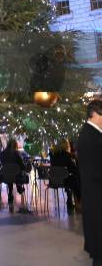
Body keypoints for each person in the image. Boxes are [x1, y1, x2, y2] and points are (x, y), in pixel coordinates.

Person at [77, 99, 102, 266]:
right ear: (95, 114)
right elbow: (95, 169)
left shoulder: (90, 133)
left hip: (94, 191)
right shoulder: (90, 136)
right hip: (96, 191)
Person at [49, 138, 81, 212]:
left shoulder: (52, 156)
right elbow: (73, 170)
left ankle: (69, 199)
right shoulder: (67, 156)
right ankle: (78, 202)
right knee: (75, 178)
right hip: (65, 181)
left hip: (54, 181)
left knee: (68, 177)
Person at [0, 138, 31, 204]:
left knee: (10, 172)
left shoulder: (2, 154)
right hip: (17, 177)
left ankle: (10, 193)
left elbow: (3, 165)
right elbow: (22, 167)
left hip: (5, 176)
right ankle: (19, 186)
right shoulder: (17, 154)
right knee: (16, 172)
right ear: (15, 145)